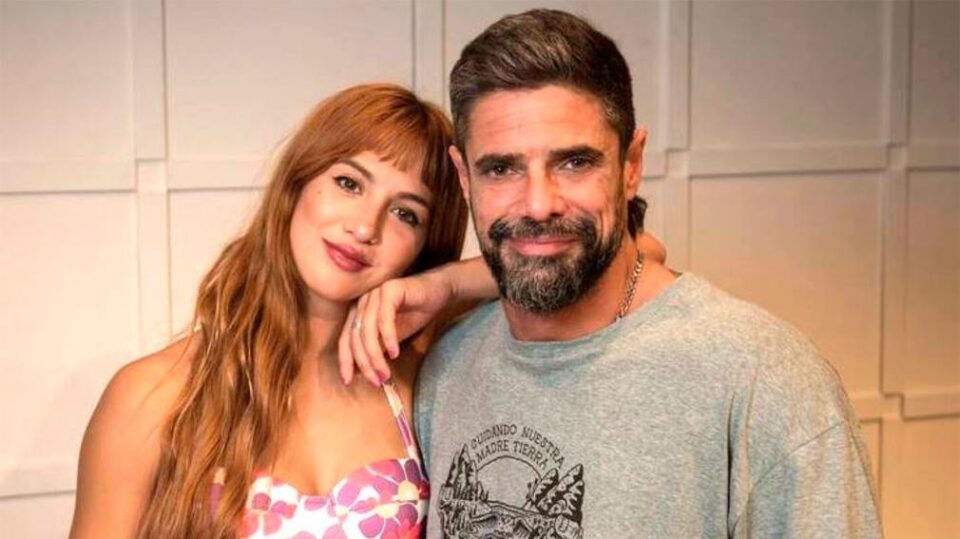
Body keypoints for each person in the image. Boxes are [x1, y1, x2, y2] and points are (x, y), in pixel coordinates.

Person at [344, 9, 881, 538]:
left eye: (574, 162)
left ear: (631, 165)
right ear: (465, 178)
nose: (538, 204)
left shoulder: (761, 379)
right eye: (502, 168)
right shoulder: (448, 365)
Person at [70, 84, 471, 538]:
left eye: (405, 214)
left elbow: (528, 279)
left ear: (424, 247)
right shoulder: (151, 395)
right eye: (349, 184)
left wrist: (446, 283)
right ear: (297, 184)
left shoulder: (421, 382)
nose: (364, 227)